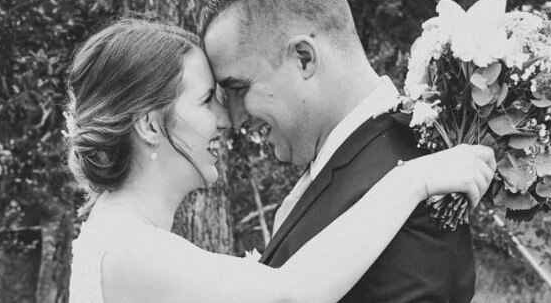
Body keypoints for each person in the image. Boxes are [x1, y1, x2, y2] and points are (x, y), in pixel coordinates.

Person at [66, 17, 496, 302]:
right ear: (149, 125)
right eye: (205, 101)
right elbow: (289, 295)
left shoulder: (118, 235)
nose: (225, 120)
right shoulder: (131, 251)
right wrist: (413, 181)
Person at [200, 0, 478, 302]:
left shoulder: (417, 188)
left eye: (238, 88)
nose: (235, 118)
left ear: (304, 57)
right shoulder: (368, 162)